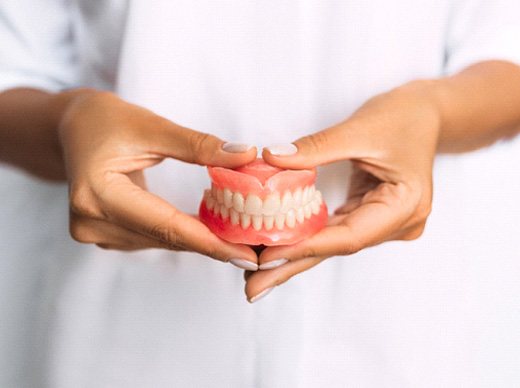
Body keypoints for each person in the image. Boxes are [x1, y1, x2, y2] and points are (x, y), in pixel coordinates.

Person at [1, 0, 520, 386]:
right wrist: (68, 125)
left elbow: (506, 57)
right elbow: (13, 71)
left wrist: (433, 112)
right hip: (117, 335)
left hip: (415, 324)